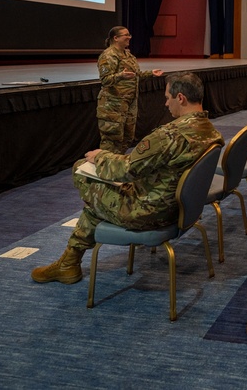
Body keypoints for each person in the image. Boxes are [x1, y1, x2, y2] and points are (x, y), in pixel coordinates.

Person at [32, 72, 223, 284]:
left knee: (81, 171)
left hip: (148, 211)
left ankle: (68, 264)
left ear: (181, 98)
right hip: (179, 209)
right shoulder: (210, 131)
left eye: (168, 97)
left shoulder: (171, 135)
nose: (166, 103)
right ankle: (69, 263)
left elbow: (128, 169)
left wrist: (100, 157)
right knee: (99, 202)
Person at [96, 26, 164, 154]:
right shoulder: (108, 55)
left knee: (127, 138)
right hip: (113, 105)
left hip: (129, 104)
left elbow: (135, 75)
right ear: (115, 38)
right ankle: (106, 168)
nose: (129, 38)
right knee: (112, 140)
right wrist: (120, 76)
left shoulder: (128, 55)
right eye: (126, 35)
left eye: (129, 35)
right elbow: (105, 80)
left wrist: (151, 73)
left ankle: (117, 165)